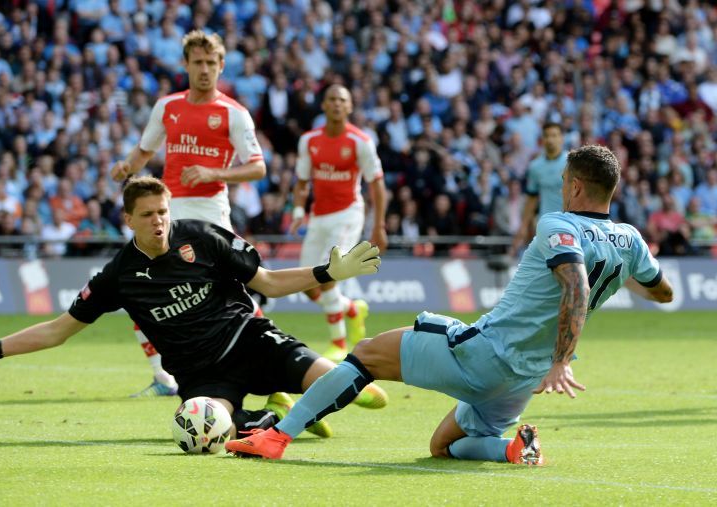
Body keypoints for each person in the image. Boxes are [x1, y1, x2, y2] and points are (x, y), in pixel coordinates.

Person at [226, 145, 674, 465]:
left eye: (562, 182)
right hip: (523, 379)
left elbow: (575, 283)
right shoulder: (630, 240)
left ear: (575, 185)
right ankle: (512, 449)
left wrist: (562, 361)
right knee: (444, 446)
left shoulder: (557, 223)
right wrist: (617, 276)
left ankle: (276, 437)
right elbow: (662, 292)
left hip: (487, 354)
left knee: (366, 355)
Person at [0, 177, 387, 439]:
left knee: (363, 393)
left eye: (163, 211)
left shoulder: (204, 236)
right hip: (204, 378)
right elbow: (58, 330)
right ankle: (268, 418)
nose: (159, 221)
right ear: (128, 219)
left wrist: (328, 273)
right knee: (200, 429)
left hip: (253, 342)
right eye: (148, 214)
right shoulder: (117, 277)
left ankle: (288, 404)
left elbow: (266, 281)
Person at [110, 30, 267, 397]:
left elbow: (257, 167)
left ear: (221, 66)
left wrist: (215, 173)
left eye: (211, 63)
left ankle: (269, 359)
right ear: (185, 65)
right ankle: (162, 378)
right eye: (198, 62)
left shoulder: (234, 114)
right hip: (167, 211)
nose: (204, 70)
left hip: (212, 212)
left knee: (235, 296)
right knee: (138, 290)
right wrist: (126, 167)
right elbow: (144, 152)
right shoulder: (167, 106)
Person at [288, 85, 388, 362]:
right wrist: (298, 211)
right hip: (318, 216)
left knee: (331, 271)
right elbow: (302, 181)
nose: (336, 104)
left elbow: (377, 185)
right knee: (307, 285)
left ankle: (339, 342)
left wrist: (379, 225)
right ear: (323, 105)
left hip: (348, 213)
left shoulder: (360, 141)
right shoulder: (309, 141)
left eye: (342, 100)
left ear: (350, 107)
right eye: (331, 99)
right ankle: (352, 309)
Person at [512, 122, 567, 255]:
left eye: (554, 135)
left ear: (561, 138)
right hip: (546, 223)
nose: (550, 140)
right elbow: (532, 197)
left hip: (569, 223)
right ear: (542, 139)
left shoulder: (571, 162)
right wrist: (524, 225)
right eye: (546, 136)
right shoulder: (535, 167)